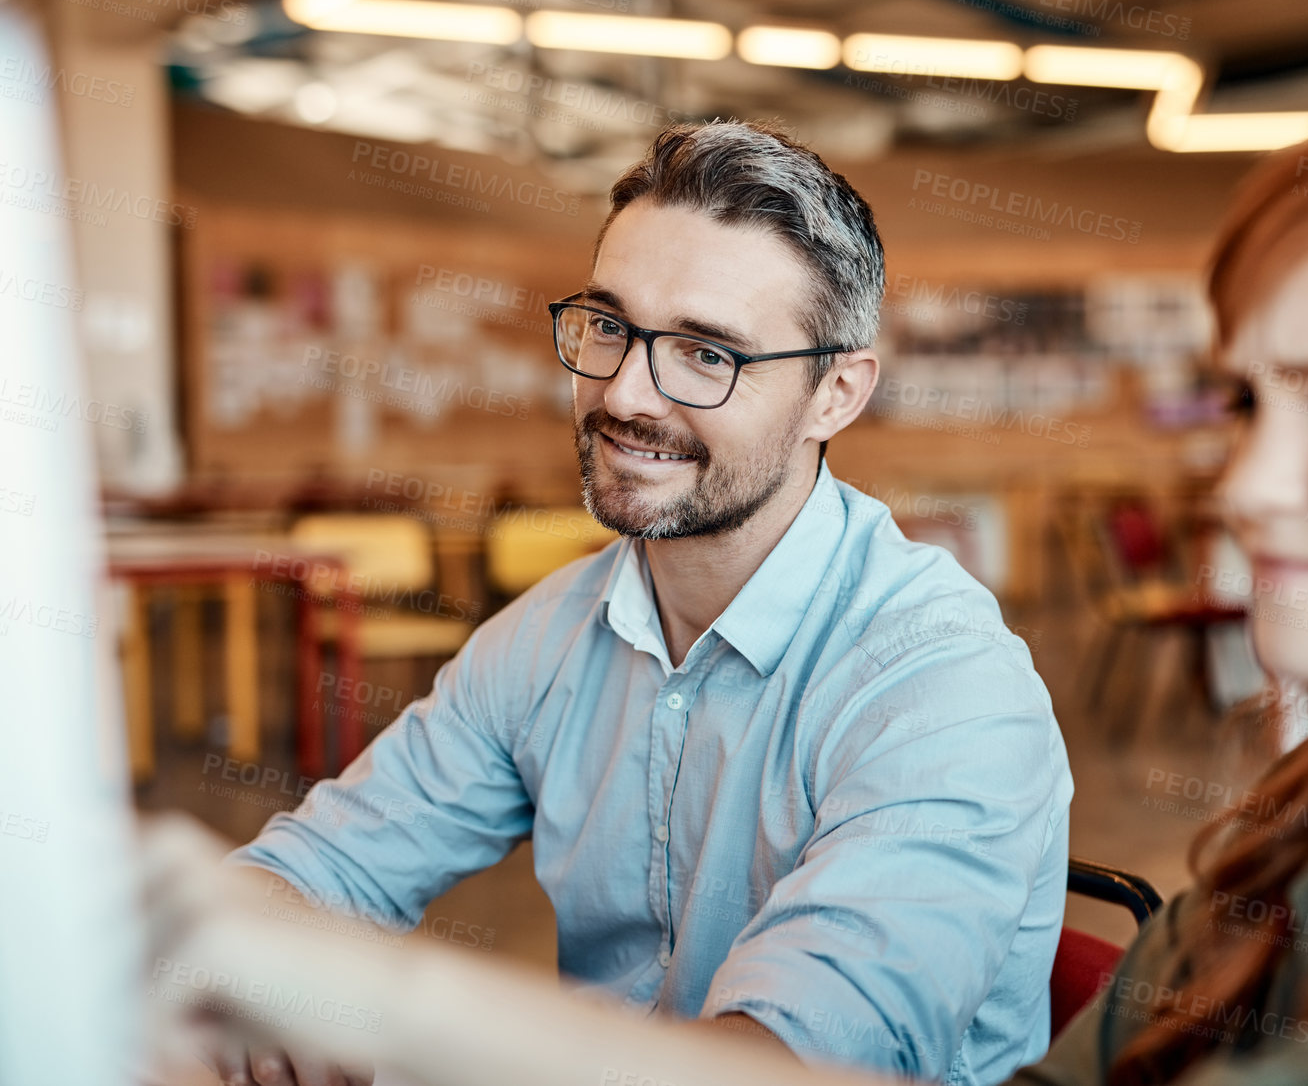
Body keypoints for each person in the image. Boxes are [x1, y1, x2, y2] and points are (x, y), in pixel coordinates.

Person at [144, 107, 1308, 1086]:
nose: (1242, 487)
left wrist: (360, 995)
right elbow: (321, 864)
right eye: (1248, 402)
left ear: (841, 391)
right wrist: (256, 952)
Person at [206, 120, 1074, 1086]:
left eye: (708, 353)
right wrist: (247, 976)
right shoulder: (549, 637)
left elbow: (784, 1070)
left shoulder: (942, 688)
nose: (624, 395)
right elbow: (314, 871)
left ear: (835, 394)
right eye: (610, 327)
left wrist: (404, 1021)